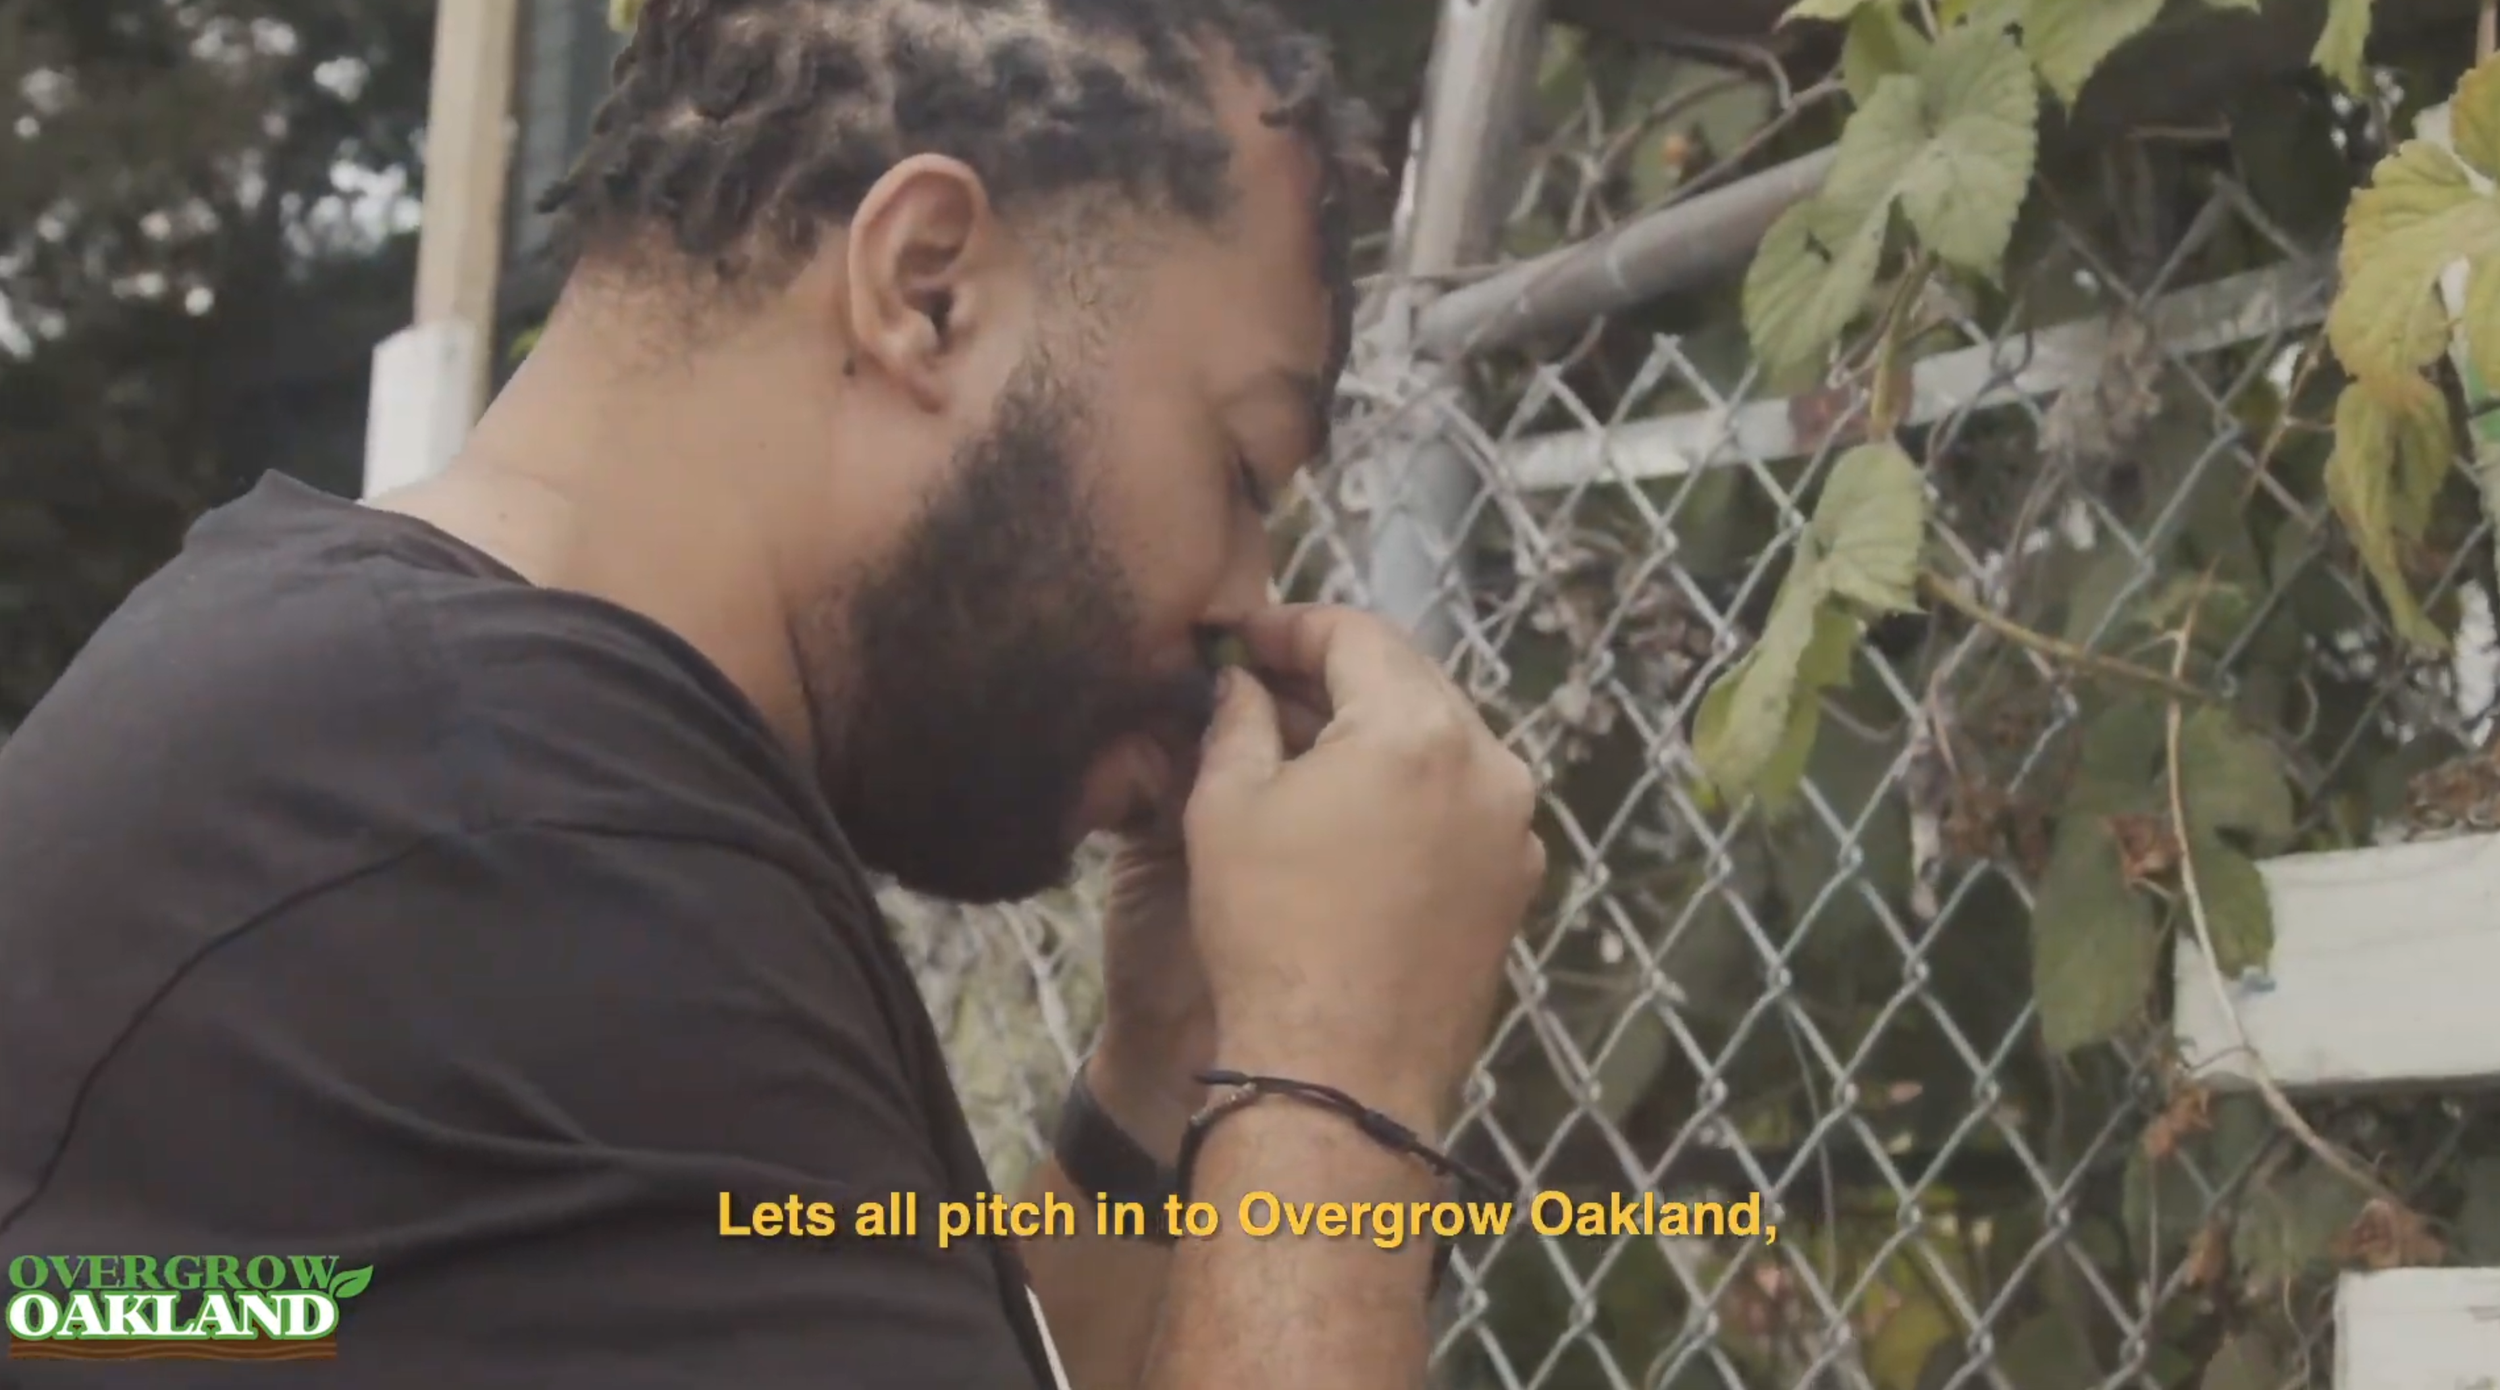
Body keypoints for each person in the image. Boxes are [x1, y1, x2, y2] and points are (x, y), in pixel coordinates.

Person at [0, 1, 1546, 1386]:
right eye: (1241, 467)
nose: (1247, 599)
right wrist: (1338, 1068)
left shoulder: (414, 758)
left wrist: (1171, 1056)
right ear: (926, 289)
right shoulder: (508, 848)